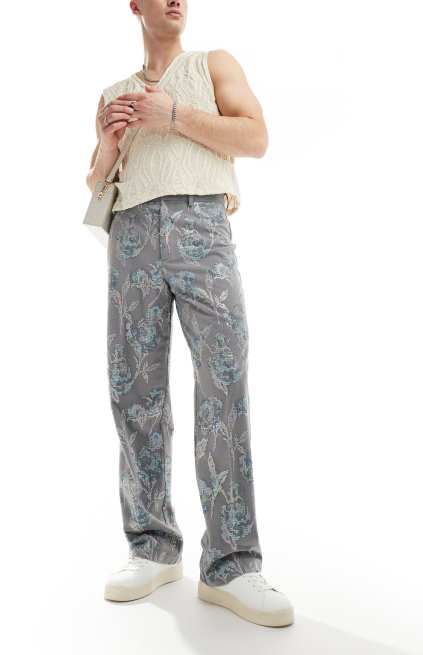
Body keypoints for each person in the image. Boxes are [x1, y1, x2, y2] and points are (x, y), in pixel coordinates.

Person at [86, 0, 294, 628]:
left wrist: (172, 115)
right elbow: (97, 183)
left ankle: (231, 564)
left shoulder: (212, 65)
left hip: (202, 226)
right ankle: (152, 547)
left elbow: (255, 137)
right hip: (132, 236)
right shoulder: (113, 93)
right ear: (136, 6)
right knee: (134, 389)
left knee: (223, 385)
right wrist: (108, 143)